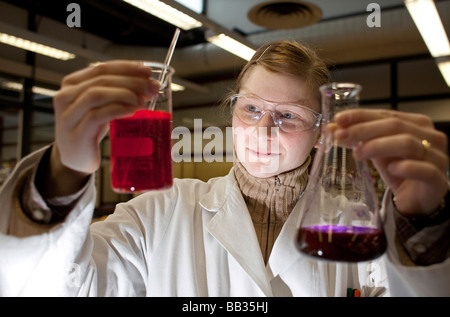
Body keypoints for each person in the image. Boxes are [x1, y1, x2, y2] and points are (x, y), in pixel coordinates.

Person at [0, 40, 449, 297]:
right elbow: (56, 287)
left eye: (288, 115)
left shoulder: (357, 227)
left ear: (320, 131)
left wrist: (423, 230)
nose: (264, 129)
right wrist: (60, 176)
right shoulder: (161, 211)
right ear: (233, 111)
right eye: (251, 108)